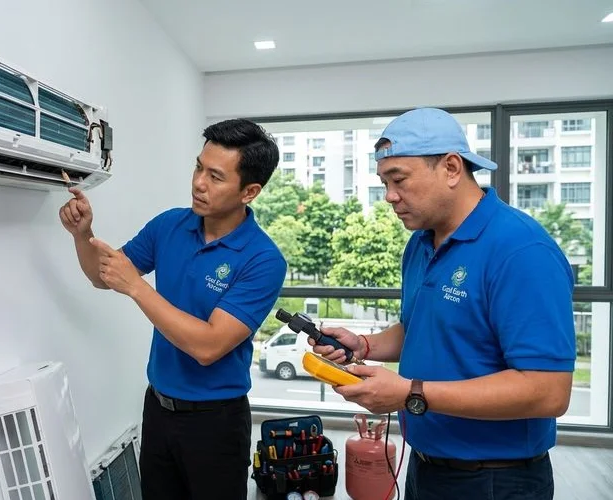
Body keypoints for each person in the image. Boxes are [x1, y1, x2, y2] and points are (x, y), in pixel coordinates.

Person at [311, 108, 576, 500]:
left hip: (496, 480)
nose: (389, 196)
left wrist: (411, 393)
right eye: (384, 182)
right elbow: (424, 327)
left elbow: (548, 392)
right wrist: (365, 345)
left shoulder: (521, 250)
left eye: (399, 179)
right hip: (426, 464)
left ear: (452, 168)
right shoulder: (421, 243)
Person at [59, 118, 287, 500]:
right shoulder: (169, 226)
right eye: (199, 167)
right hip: (158, 410)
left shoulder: (263, 259)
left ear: (249, 191)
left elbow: (208, 346)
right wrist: (83, 235)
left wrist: (136, 287)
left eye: (215, 177)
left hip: (216, 423)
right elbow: (103, 276)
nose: (199, 183)